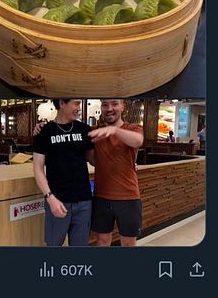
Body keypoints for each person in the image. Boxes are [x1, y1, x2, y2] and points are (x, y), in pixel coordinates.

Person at [33, 99, 94, 246]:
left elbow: (94, 161)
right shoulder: (44, 132)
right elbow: (37, 168)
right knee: (53, 245)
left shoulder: (85, 130)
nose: (79, 108)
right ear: (62, 103)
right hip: (57, 200)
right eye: (76, 104)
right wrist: (50, 197)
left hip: (83, 201)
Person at [89, 99, 144, 247]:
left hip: (128, 196)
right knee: (102, 241)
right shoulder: (96, 131)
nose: (109, 108)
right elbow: (94, 161)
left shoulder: (133, 128)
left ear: (122, 106)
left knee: (128, 243)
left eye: (114, 104)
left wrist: (114, 130)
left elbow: (138, 141)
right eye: (105, 104)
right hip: (101, 197)